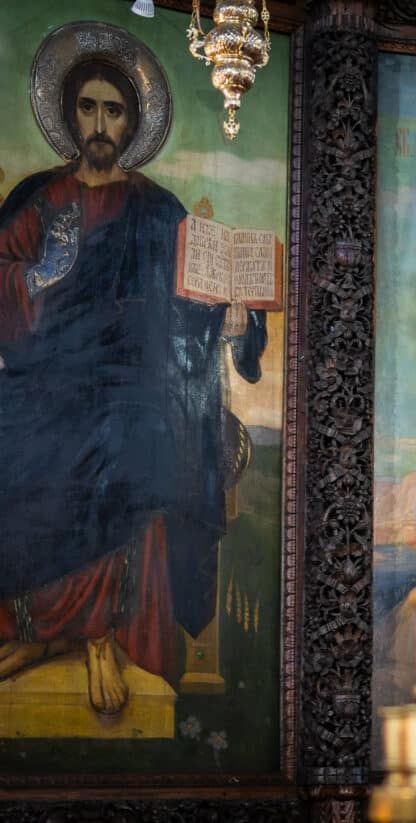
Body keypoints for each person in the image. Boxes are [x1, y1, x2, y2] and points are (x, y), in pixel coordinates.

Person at [0, 54, 266, 714]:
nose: (99, 123)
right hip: (44, 378)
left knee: (131, 443)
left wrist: (235, 321)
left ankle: (97, 635)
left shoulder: (156, 210)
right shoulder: (38, 199)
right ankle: (33, 632)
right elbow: (3, 274)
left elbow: (196, 298)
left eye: (113, 110)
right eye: (88, 107)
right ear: (70, 116)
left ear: (131, 122)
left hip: (130, 384)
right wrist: (38, 275)